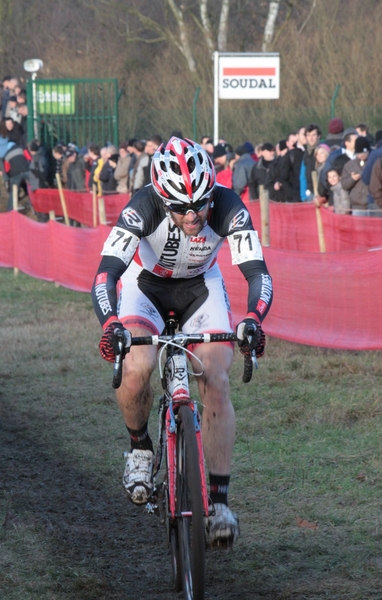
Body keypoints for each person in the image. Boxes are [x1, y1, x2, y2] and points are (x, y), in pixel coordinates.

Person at [91, 136, 273, 546]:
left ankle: (220, 502)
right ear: (161, 197)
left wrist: (253, 319)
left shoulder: (229, 206)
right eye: (179, 207)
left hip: (201, 289)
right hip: (146, 288)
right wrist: (110, 324)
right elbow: (106, 274)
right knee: (135, 368)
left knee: (216, 378)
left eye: (201, 204)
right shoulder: (142, 206)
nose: (193, 216)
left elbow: (258, 272)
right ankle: (140, 448)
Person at [341, 137, 370, 216]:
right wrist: (352, 179)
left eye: (364, 153)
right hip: (357, 206)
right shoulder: (349, 165)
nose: (361, 155)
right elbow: (344, 185)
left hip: (372, 205)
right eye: (359, 153)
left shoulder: (373, 162)